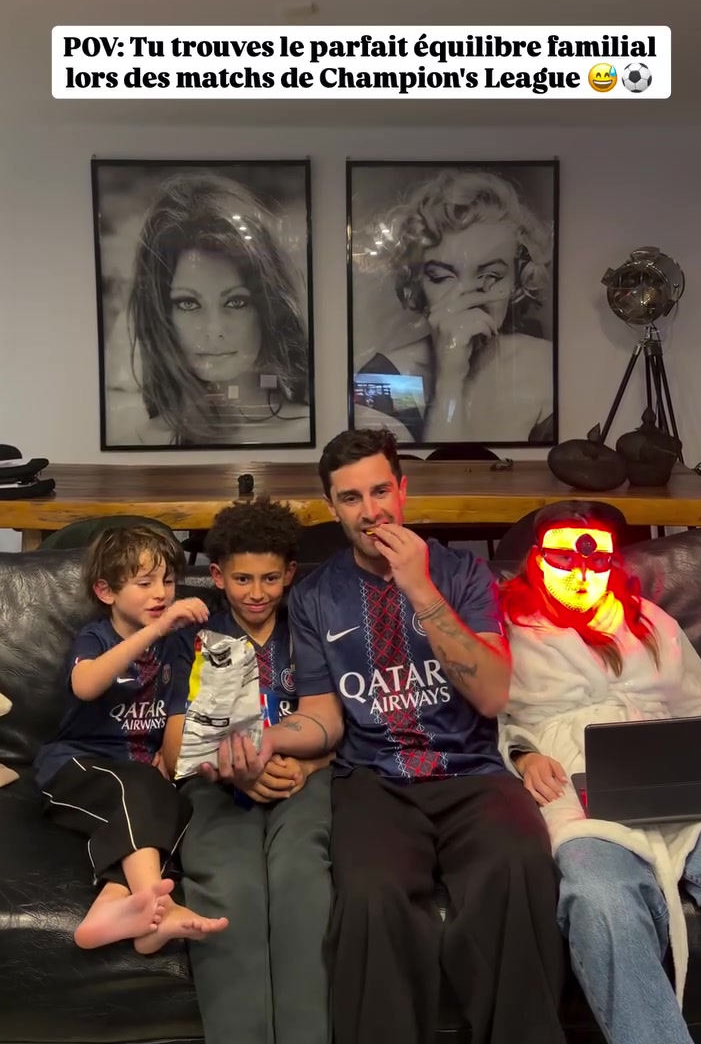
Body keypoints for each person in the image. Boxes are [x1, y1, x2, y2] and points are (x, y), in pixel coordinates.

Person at [204, 429, 566, 1044]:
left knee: (517, 866)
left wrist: (418, 585)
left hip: (471, 772)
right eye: (350, 498)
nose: (370, 511)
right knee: (370, 895)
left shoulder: (462, 572)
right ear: (332, 506)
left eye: (379, 492)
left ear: (402, 490)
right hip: (374, 779)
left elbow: (491, 694)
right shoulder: (315, 597)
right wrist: (268, 739)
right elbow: (324, 716)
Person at [499, 503, 701, 1044]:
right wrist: (523, 755)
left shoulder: (652, 621)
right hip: (574, 791)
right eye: (564, 560)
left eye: (595, 562)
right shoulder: (504, 625)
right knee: (602, 896)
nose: (580, 575)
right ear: (535, 559)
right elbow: (487, 718)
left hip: (677, 785)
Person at [164, 497, 333, 1044]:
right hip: (215, 785)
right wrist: (236, 770)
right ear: (217, 576)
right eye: (242, 579)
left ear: (290, 573)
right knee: (231, 887)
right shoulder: (195, 637)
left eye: (270, 578)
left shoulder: (309, 628)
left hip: (302, 780)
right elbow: (175, 745)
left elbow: (344, 722)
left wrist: (310, 762)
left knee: (300, 880)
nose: (256, 592)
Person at [34, 525, 228, 953]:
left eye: (168, 582)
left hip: (137, 775)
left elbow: (177, 715)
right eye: (144, 583)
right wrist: (154, 632)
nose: (161, 594)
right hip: (75, 766)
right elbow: (86, 684)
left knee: (176, 803)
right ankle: (162, 907)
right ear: (106, 591)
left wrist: (174, 767)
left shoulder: (177, 645)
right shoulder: (96, 638)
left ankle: (114, 906)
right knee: (138, 785)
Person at [355, 168, 554, 444]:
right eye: (441, 277)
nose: (465, 294)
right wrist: (449, 379)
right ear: (417, 284)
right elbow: (436, 471)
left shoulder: (545, 363)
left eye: (491, 275)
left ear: (517, 282)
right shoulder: (387, 378)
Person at [113, 169, 310, 446]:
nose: (214, 329)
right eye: (188, 303)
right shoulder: (141, 441)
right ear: (161, 315)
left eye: (236, 302)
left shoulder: (311, 431)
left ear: (267, 308)